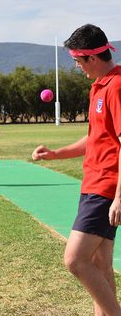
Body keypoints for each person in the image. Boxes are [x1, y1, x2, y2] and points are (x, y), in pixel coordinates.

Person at [32, 24, 121, 316]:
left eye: (77, 62)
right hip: (92, 184)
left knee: (74, 259)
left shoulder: (117, 86)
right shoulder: (100, 86)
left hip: (106, 187)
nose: (77, 68)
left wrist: (119, 197)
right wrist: (56, 154)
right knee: (99, 265)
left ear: (91, 58)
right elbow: (96, 138)